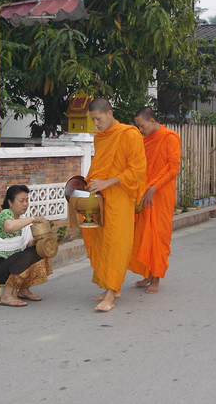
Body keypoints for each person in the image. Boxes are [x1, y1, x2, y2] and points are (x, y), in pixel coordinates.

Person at [84, 98, 147, 312]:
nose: (96, 124)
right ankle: (109, 285)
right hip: (101, 198)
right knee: (102, 241)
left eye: (98, 119)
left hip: (120, 198)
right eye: (93, 120)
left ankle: (111, 293)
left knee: (116, 244)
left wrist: (108, 182)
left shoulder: (129, 134)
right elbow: (98, 166)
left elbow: (137, 169)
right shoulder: (100, 138)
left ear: (110, 113)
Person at [128, 106, 181, 294]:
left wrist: (154, 187)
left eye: (142, 126)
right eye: (138, 127)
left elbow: (173, 169)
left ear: (152, 121)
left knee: (158, 235)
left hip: (161, 193)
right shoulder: (143, 141)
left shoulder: (170, 137)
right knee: (143, 234)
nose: (140, 130)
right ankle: (147, 274)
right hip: (144, 192)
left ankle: (156, 278)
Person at [0, 185, 51, 307]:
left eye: (27, 200)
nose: (25, 204)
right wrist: (33, 219)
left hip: (11, 265)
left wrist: (41, 240)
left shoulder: (22, 220)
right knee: (26, 256)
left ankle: (24, 289)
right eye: (21, 201)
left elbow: (28, 245)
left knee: (37, 252)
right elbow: (10, 226)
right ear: (10, 202)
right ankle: (7, 295)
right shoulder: (4, 214)